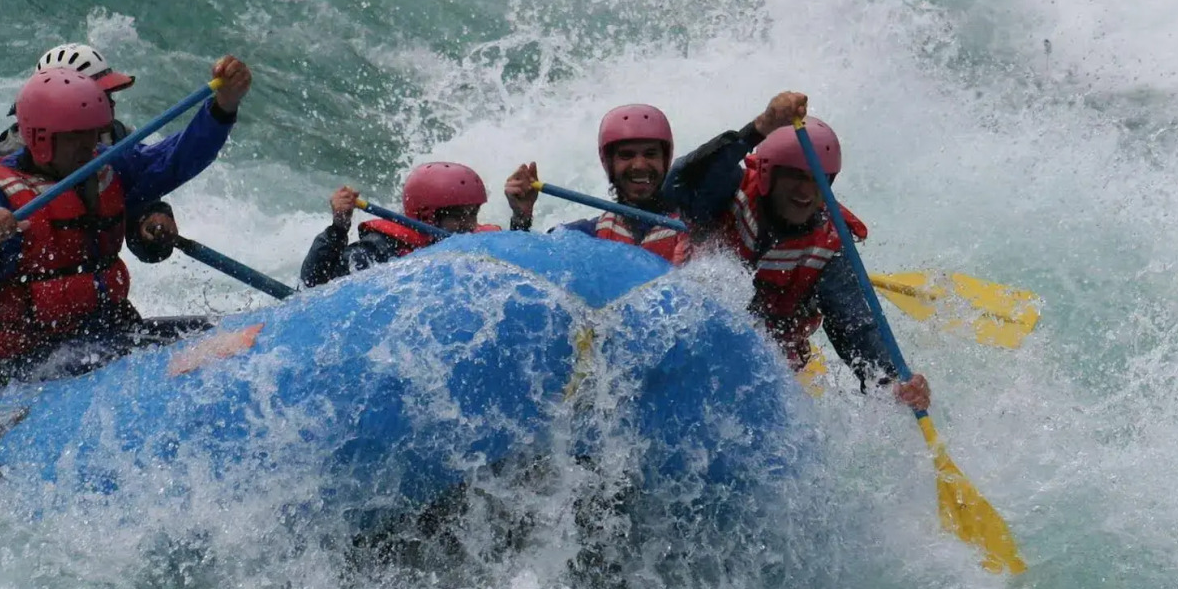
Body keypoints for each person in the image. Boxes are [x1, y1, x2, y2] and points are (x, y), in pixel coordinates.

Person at [0, 56, 251, 390]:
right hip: (27, 359)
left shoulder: (105, 166)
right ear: (40, 139)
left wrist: (221, 109)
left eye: (93, 132)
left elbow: (174, 159)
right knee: (122, 357)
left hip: (109, 328)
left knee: (220, 333)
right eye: (76, 136)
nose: (89, 144)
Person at [662, 90, 930, 409]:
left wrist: (894, 382)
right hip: (682, 340)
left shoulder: (827, 248)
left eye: (816, 179)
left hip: (760, 375)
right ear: (766, 174)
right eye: (794, 177)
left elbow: (855, 330)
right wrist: (761, 127)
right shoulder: (727, 192)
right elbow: (677, 184)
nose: (806, 191)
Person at [0, 43, 180, 265]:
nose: (111, 104)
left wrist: (151, 217)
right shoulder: (18, 151)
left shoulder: (118, 136)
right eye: (103, 96)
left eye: (109, 96)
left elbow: (138, 195)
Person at [501, 104, 686, 261]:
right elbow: (527, 267)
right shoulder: (586, 235)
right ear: (609, 163)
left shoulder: (696, 231)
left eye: (650, 154)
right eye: (626, 155)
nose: (639, 165)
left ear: (665, 159)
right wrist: (521, 218)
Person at [300, 162, 497, 287]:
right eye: (458, 216)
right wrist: (339, 227)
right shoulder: (378, 250)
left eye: (473, 213)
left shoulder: (479, 241)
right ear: (427, 216)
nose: (470, 225)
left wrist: (520, 217)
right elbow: (313, 284)